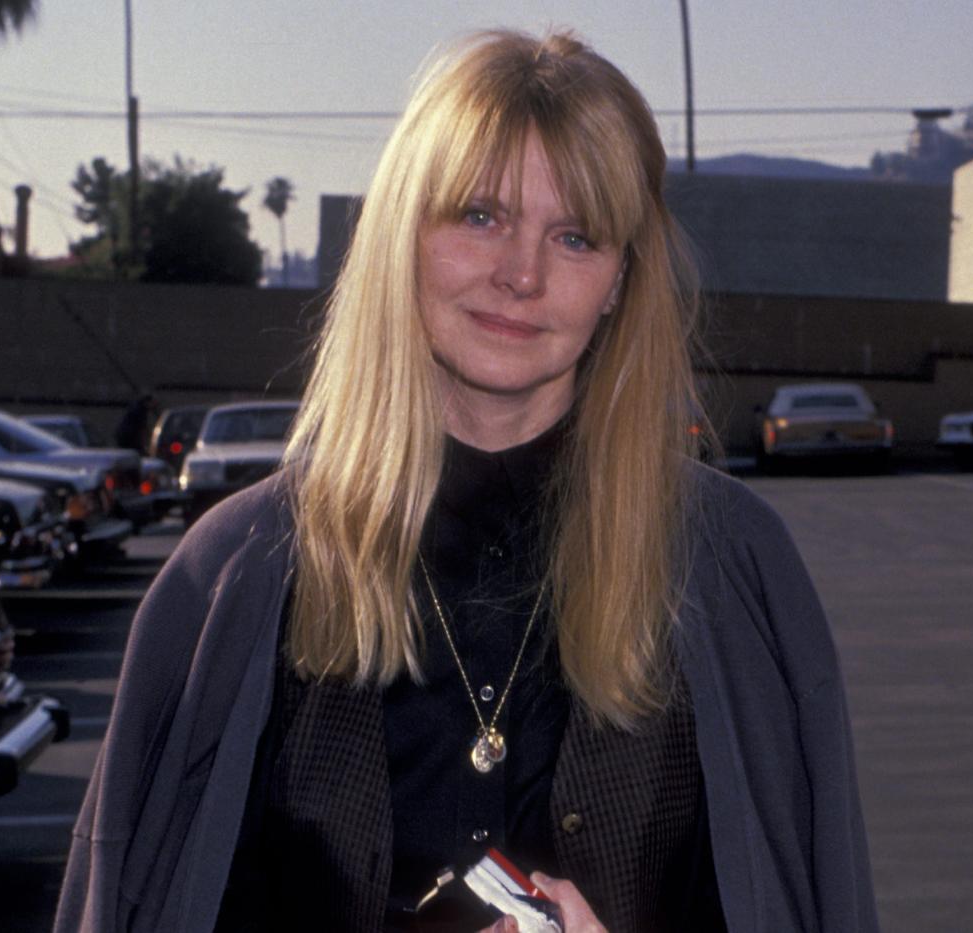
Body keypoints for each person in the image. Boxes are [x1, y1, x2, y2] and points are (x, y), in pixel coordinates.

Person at [55, 29, 877, 933]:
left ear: (618, 284)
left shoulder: (737, 569)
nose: (521, 274)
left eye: (575, 236)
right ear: (402, 233)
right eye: (480, 216)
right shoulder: (235, 575)